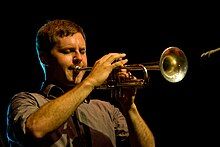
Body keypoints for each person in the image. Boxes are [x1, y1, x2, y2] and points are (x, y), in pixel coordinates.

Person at [6, 19, 155, 147]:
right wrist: (90, 81)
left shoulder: (108, 110)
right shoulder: (26, 100)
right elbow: (35, 130)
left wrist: (129, 107)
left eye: (82, 51)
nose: (79, 58)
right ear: (44, 58)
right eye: (68, 51)